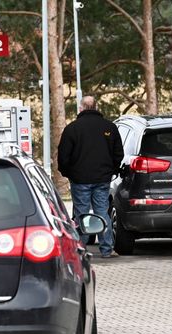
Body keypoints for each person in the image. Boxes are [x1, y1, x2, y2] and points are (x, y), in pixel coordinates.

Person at [57, 95, 124, 258]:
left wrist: (68, 173)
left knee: (82, 213)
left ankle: (81, 250)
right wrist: (112, 170)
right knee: (102, 212)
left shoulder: (72, 129)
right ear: (96, 107)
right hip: (102, 178)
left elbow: (63, 156)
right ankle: (106, 249)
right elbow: (118, 154)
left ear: (81, 108)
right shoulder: (109, 127)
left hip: (79, 179)